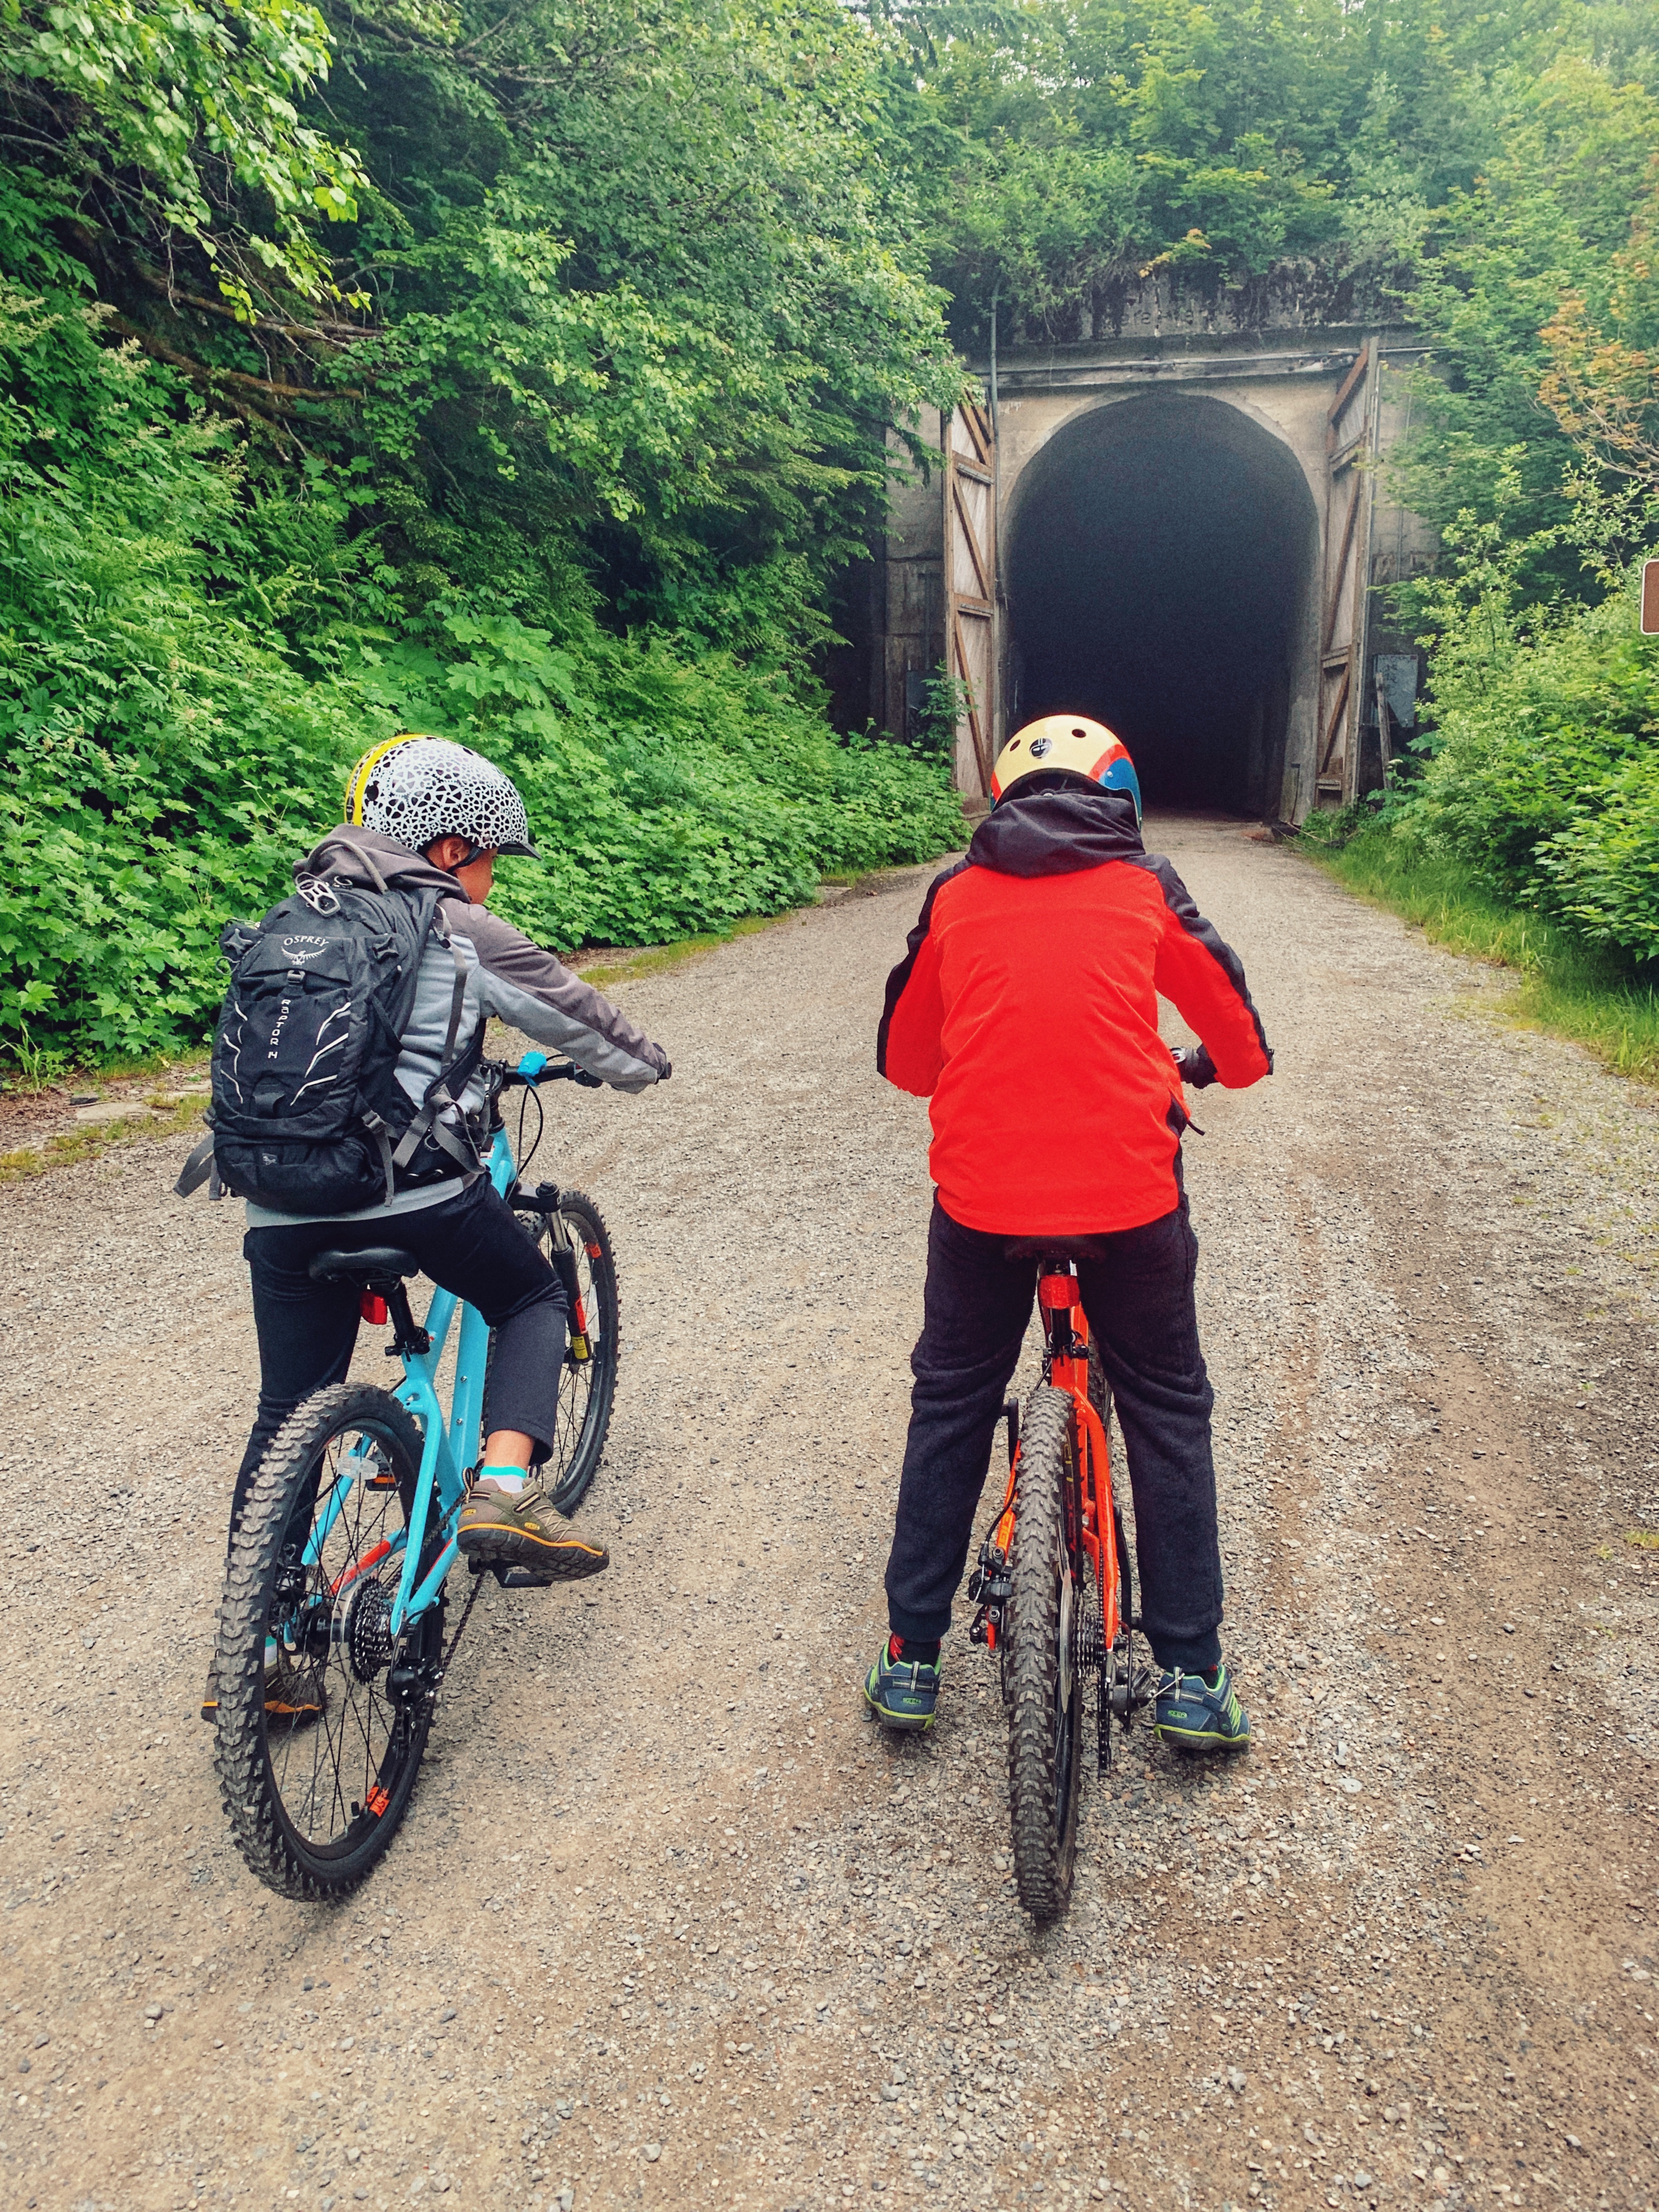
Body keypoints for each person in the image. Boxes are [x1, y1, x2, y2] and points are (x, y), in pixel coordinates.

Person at [200, 735, 671, 1721]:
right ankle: (504, 1487)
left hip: (277, 1202)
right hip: (410, 1190)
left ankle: (259, 1647)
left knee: (289, 1408)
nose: (493, 879)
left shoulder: (298, 915)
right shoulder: (452, 922)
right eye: (492, 857)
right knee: (532, 1290)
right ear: (450, 846)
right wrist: (644, 1064)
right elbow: (576, 1015)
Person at [864, 714, 1272, 1750]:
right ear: (1120, 797)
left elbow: (907, 1059)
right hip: (1128, 1201)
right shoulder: (1147, 884)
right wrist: (1211, 1066)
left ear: (1004, 798)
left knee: (951, 1398)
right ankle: (1190, 1674)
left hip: (981, 1204)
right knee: (1168, 1406)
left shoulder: (957, 893)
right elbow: (1238, 1034)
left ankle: (913, 1657)